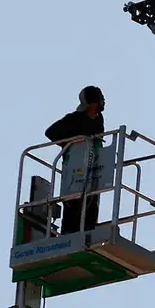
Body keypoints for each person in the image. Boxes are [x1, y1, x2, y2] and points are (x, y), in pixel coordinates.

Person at [45, 86, 106, 234]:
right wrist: (71, 142)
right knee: (73, 206)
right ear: (94, 103)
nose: (103, 101)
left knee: (91, 205)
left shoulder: (99, 120)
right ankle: (69, 238)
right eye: (100, 98)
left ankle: (87, 237)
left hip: (92, 169)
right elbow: (50, 132)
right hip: (74, 169)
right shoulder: (74, 118)